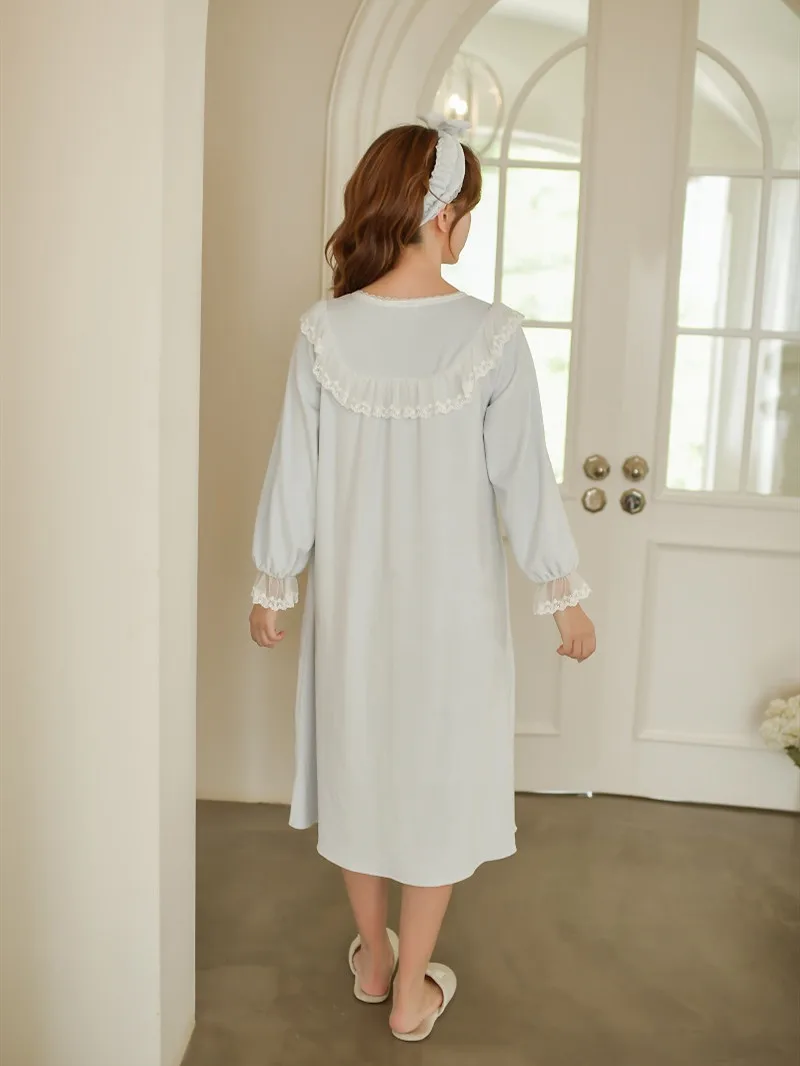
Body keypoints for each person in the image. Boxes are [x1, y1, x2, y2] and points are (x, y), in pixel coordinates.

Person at [248, 116, 596, 1043]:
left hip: (354, 614)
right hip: (453, 619)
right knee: (436, 786)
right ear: (443, 214)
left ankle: (374, 959)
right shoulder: (492, 336)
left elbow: (293, 473)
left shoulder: (324, 331)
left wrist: (273, 581)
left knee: (358, 775)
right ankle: (411, 994)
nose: (468, 223)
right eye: (468, 207)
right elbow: (525, 480)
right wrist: (563, 595)